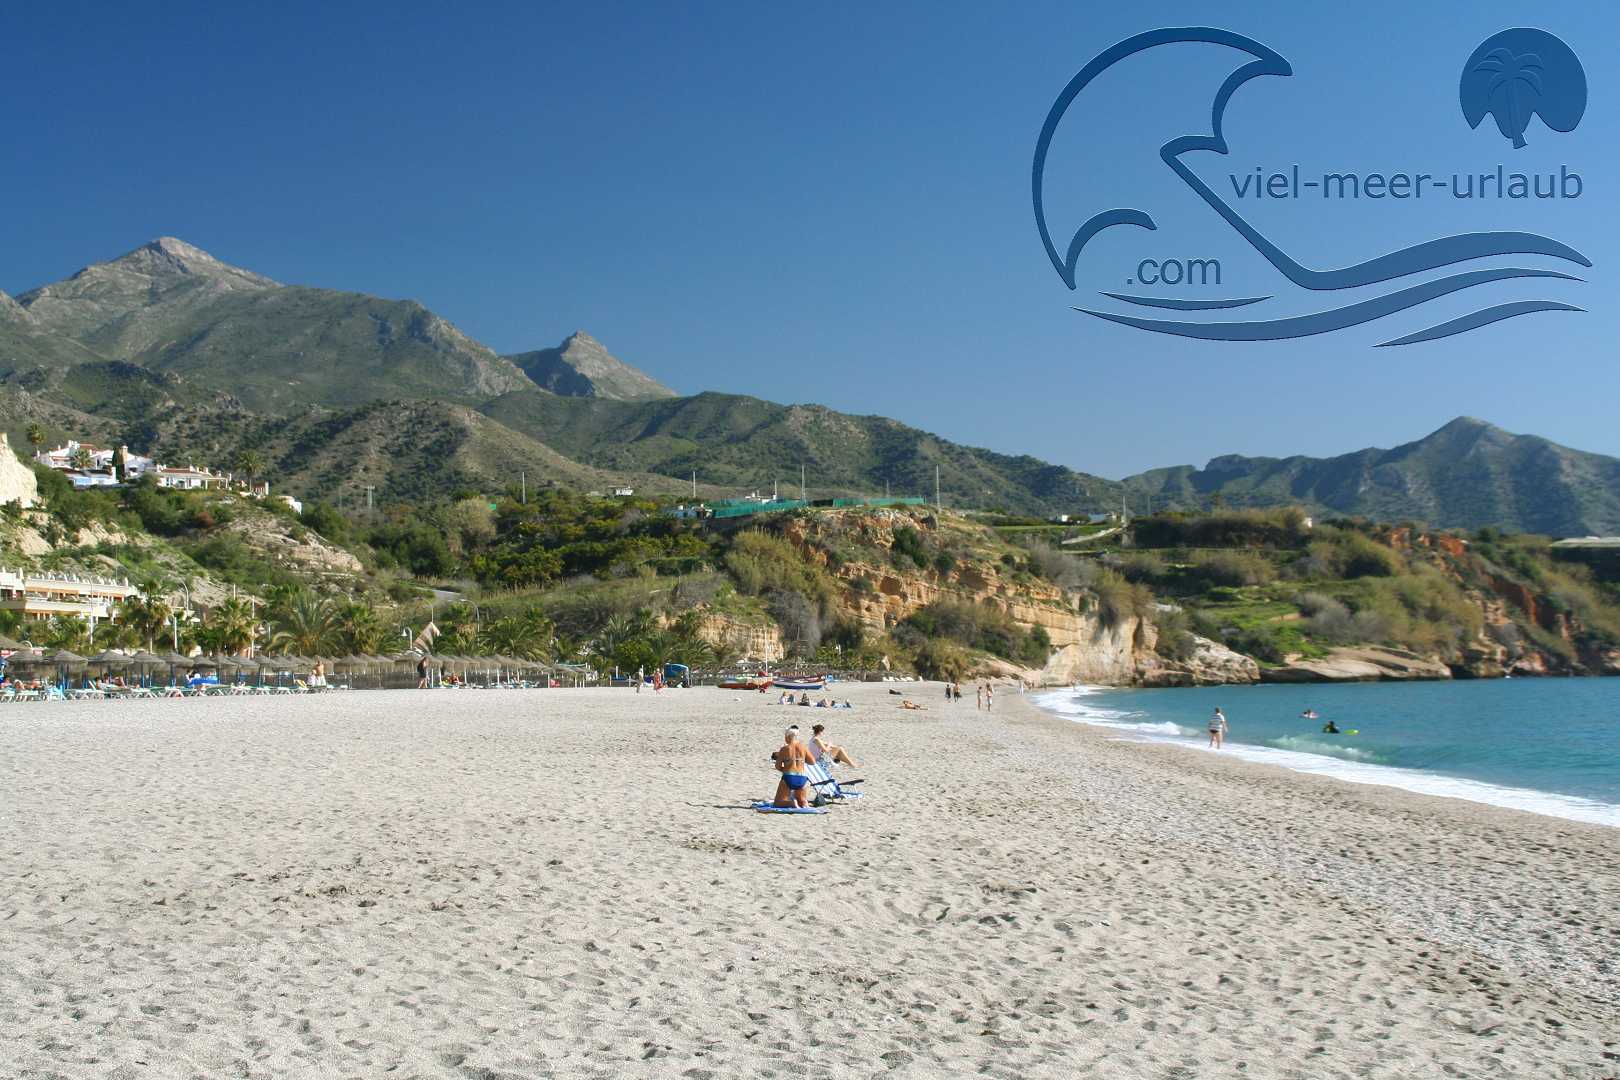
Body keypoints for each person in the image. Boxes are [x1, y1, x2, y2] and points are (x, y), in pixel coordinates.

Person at [770, 726, 816, 809]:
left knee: (777, 803)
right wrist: (801, 760)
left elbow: (777, 766)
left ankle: (792, 803)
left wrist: (785, 769)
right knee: (801, 801)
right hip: (802, 777)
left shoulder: (785, 749)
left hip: (789, 776)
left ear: (788, 736)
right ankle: (804, 803)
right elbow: (812, 762)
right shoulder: (803, 747)